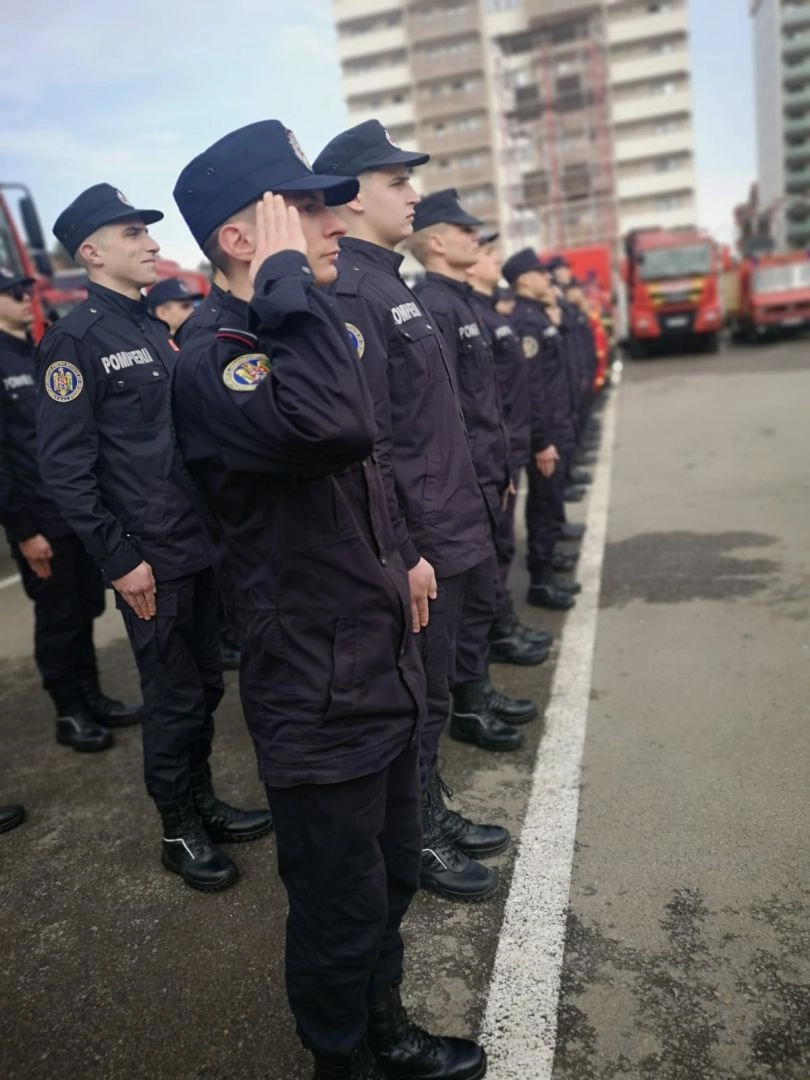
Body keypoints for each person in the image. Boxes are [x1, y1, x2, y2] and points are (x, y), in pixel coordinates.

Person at [172, 119, 487, 1080]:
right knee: (338, 906)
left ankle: (387, 1031)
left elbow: (371, 460)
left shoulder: (291, 325)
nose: (333, 222)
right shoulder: (220, 353)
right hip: (316, 683)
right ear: (242, 238)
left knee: (387, 879)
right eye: (305, 210)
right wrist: (283, 284)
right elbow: (337, 428)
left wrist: (405, 556)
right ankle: (342, 1061)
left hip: (374, 655)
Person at [35, 184, 271, 892]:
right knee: (171, 697)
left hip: (195, 544)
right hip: (149, 558)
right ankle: (178, 828)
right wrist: (119, 558)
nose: (152, 244)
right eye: (133, 234)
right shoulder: (75, 341)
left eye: (148, 232)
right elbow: (65, 470)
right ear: (91, 252)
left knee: (204, 686)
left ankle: (202, 801)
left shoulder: (147, 330)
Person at [313, 119, 507, 905]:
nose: (414, 194)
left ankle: (431, 809)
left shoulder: (388, 283)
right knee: (419, 699)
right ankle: (416, 835)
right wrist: (405, 551)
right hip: (421, 536)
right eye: (397, 181)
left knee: (433, 694)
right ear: (354, 198)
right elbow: (371, 444)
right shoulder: (352, 292)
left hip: (448, 521)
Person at [409, 190, 537, 750]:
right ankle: (467, 704)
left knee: (481, 597)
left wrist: (499, 465)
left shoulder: (459, 302)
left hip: (484, 473)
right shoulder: (435, 306)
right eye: (465, 231)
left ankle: (476, 690)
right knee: (460, 609)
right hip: (463, 480)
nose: (476, 239)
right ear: (437, 242)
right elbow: (447, 407)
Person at [0, 266, 141, 751]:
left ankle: (92, 698)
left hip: (72, 513)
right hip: (39, 522)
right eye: (12, 293)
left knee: (84, 608)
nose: (25, 298)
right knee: (59, 619)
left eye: (25, 290)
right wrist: (22, 529)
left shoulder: (39, 350)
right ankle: (69, 713)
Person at [465, 233, 555, 660]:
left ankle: (502, 625)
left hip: (508, 445)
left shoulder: (487, 313)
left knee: (502, 543)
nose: (494, 259)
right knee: (494, 545)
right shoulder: (471, 313)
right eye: (488, 253)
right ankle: (496, 633)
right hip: (492, 451)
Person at [502, 249, 582, 610]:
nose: (547, 277)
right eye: (540, 273)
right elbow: (531, 387)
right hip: (546, 430)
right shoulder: (526, 321)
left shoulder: (536, 315)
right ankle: (541, 580)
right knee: (544, 504)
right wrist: (542, 439)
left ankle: (547, 567)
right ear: (523, 279)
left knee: (549, 501)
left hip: (557, 423)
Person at [145, 276, 204, 340]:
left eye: (194, 305)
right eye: (185, 306)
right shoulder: (153, 343)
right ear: (162, 313)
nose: (193, 310)